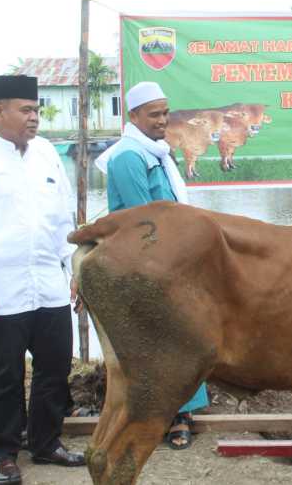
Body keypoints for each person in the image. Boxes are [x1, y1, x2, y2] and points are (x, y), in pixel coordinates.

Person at [0, 75, 86, 485]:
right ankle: (3, 452)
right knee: (3, 376)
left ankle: (46, 442)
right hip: (1, 289)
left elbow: (62, 219)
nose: (34, 118)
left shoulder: (47, 155)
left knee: (54, 367)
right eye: (25, 110)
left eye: (36, 110)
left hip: (48, 285)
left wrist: (75, 267)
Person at [94, 81, 209, 450]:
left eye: (165, 112)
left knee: (183, 336)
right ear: (133, 117)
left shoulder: (158, 152)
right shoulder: (129, 157)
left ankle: (182, 411)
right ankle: (170, 417)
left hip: (171, 260)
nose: (162, 120)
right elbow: (146, 221)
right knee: (161, 340)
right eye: (154, 114)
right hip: (146, 265)